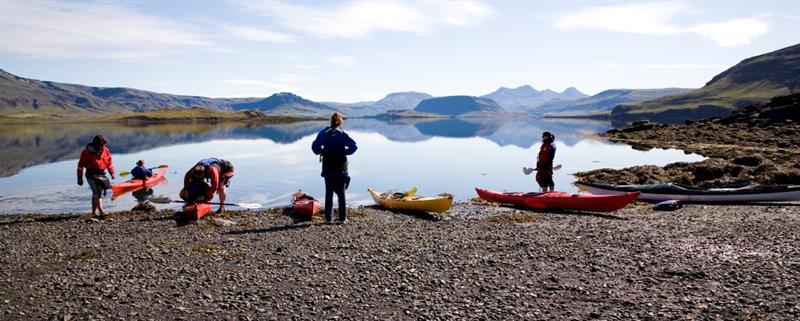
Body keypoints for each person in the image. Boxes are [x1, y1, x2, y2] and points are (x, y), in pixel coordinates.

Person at [312, 112, 358, 224]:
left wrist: (321, 151)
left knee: (329, 193)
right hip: (340, 166)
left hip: (327, 166)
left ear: (331, 121)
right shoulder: (342, 134)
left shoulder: (323, 132)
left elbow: (314, 146)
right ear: (340, 121)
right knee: (341, 194)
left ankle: (328, 219)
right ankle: (342, 219)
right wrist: (344, 152)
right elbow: (354, 146)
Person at [77, 135, 115, 217]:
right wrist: (80, 178)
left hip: (101, 174)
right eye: (101, 144)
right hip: (91, 174)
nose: (103, 146)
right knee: (97, 193)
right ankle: (101, 211)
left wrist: (112, 173)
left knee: (98, 193)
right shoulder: (86, 152)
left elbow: (109, 163)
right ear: (96, 144)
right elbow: (80, 166)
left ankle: (94, 213)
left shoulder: (106, 151)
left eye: (104, 144)